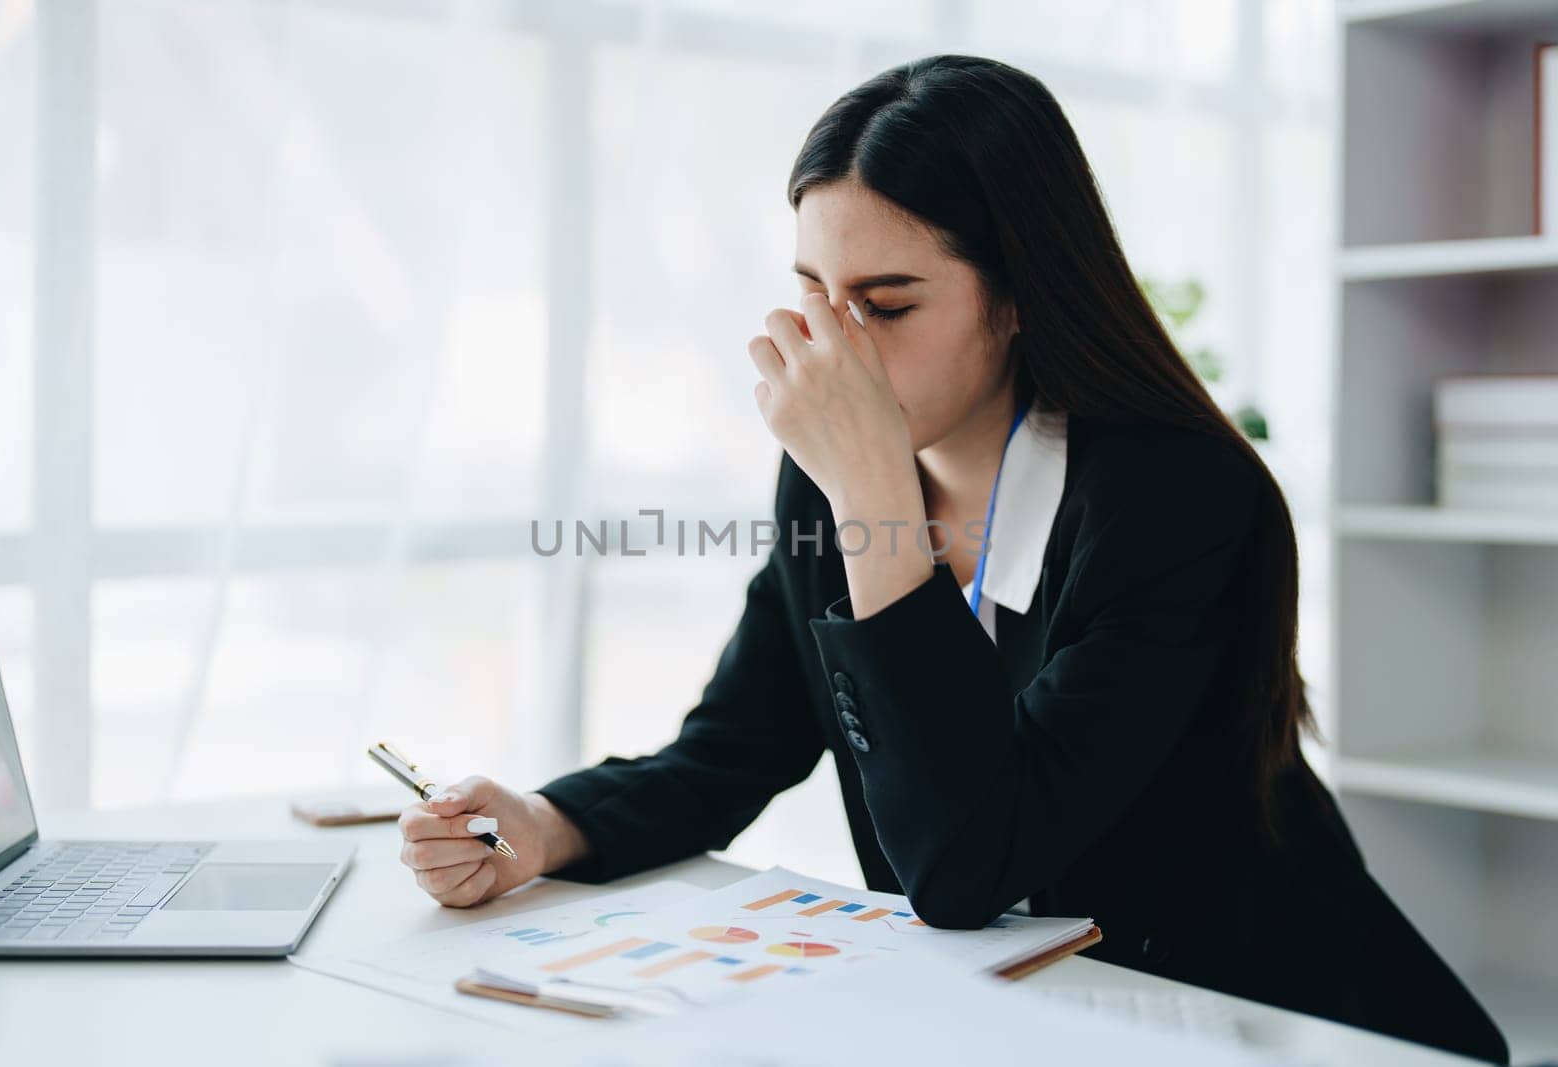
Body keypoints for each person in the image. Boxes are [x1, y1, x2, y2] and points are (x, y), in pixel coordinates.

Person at [395, 55, 1507, 1064]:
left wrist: (876, 504)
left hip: (1270, 1015)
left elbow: (973, 862)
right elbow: (735, 744)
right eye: (813, 297)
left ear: (1021, 295)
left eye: (883, 304)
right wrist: (547, 823)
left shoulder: (1175, 498)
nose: (834, 349)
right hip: (1029, 1016)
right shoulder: (833, 475)